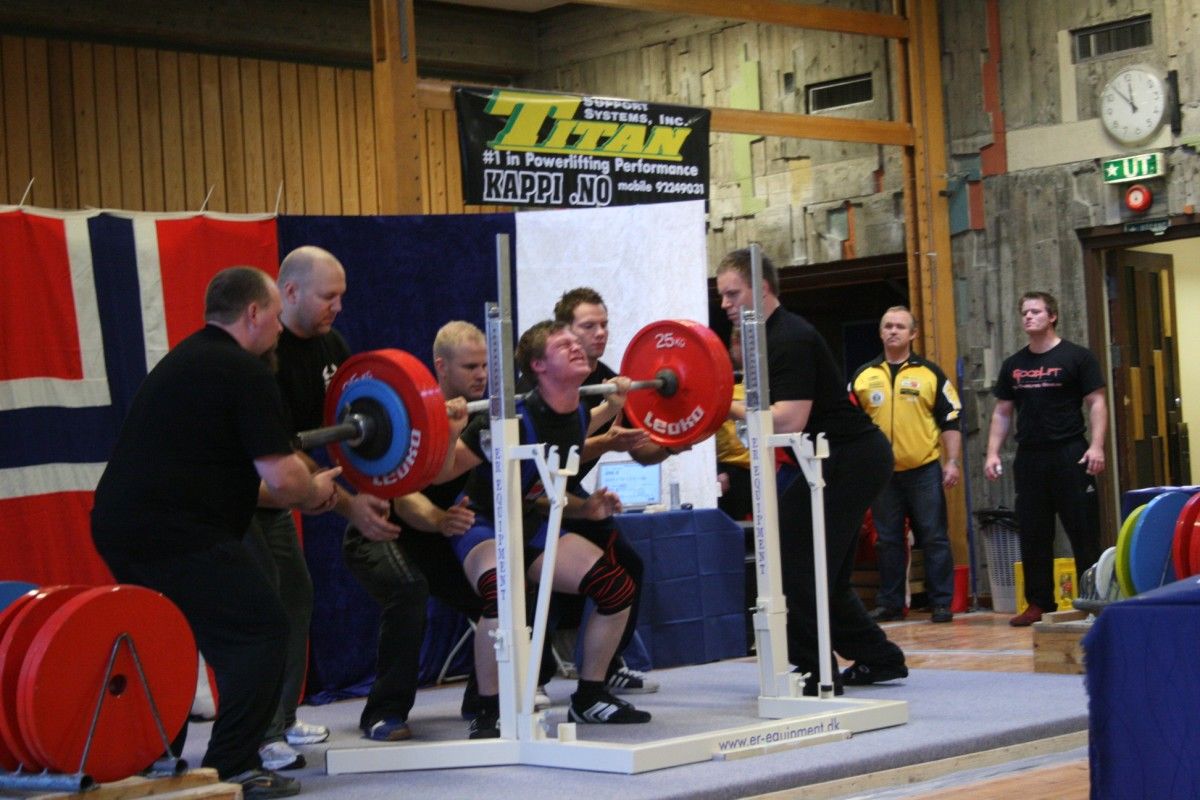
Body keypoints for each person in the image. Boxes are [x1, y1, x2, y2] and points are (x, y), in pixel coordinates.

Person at [91, 267, 343, 799]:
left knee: (171, 637)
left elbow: (244, 479)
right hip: (174, 529)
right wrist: (315, 491)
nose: (280, 328)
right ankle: (234, 765)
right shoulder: (245, 371)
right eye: (275, 316)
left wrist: (306, 490)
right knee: (263, 628)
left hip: (123, 524)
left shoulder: (189, 358)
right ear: (253, 313)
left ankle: (154, 761)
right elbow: (283, 478)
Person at [440, 320, 652, 738]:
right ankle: (489, 709)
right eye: (563, 344)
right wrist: (449, 433)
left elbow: (565, 454)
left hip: (529, 522)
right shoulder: (510, 420)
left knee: (616, 587)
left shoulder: (575, 412)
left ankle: (590, 697)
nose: (577, 347)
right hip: (482, 524)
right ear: (538, 365)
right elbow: (442, 472)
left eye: (576, 342)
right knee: (501, 593)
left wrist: (587, 505)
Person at [717, 248, 908, 693]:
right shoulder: (765, 338)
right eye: (722, 295)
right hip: (830, 458)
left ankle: (813, 674)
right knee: (825, 573)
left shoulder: (790, 337)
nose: (724, 304)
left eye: (732, 294)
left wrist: (722, 404)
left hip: (849, 458)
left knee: (794, 565)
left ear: (761, 288)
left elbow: (788, 419)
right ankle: (879, 658)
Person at [246, 246, 401, 771]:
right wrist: (351, 505)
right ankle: (261, 735)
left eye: (342, 296)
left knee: (295, 596)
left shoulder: (333, 346)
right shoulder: (264, 354)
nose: (338, 306)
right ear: (289, 293)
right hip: (243, 493)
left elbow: (346, 430)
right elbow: (284, 455)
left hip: (282, 490)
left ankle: (282, 719)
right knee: (263, 609)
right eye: (328, 296)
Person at [340, 321, 486, 742]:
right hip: (380, 532)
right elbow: (404, 496)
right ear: (441, 366)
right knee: (409, 590)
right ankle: (383, 712)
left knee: (498, 591)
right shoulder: (406, 417)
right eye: (470, 367)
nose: (481, 375)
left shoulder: (482, 418)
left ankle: (486, 702)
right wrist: (440, 519)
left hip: (432, 538)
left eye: (484, 366)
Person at [984, 291, 1106, 627]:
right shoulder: (1014, 365)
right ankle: (1039, 602)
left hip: (1070, 452)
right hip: (1030, 457)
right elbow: (1003, 412)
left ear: (1052, 316)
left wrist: (1096, 446)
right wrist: (992, 452)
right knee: (1034, 532)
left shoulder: (1077, 357)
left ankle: (1092, 600)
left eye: (1036, 311)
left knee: (1083, 530)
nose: (1028, 317)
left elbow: (1097, 402)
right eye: (1024, 312)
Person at [850, 306, 962, 624]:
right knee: (887, 541)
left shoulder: (930, 374)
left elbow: (951, 419)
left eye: (900, 326)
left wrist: (952, 462)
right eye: (888, 326)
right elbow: (851, 425)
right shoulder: (863, 376)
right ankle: (891, 603)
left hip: (924, 470)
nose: (893, 331)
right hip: (882, 474)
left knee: (935, 536)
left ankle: (941, 603)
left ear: (913, 333)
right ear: (880, 332)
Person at [715, 326, 752, 522]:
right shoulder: (719, 384)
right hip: (732, 472)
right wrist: (717, 471)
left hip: (767, 467)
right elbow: (705, 434)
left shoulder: (768, 381)